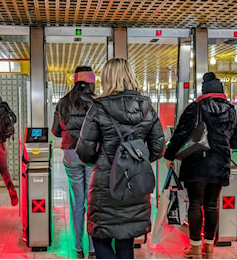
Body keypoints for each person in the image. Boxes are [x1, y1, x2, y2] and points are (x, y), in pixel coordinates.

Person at [75, 58, 165, 259]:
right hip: (135, 184)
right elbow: (158, 148)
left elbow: (84, 151)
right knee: (126, 239)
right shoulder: (147, 107)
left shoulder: (98, 108)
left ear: (107, 79)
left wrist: (104, 160)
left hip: (105, 185)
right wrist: (135, 162)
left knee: (101, 238)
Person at [164, 72, 237, 259]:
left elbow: (180, 135)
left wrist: (169, 155)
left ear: (203, 91)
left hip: (196, 162)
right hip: (220, 163)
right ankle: (209, 246)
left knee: (195, 203)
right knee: (211, 205)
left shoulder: (195, 108)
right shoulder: (231, 111)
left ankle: (195, 247)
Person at [51, 66, 97, 259]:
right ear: (92, 81)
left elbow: (55, 131)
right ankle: (93, 249)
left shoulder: (63, 102)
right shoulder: (97, 102)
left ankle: (78, 247)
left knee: (77, 201)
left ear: (75, 81)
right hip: (92, 153)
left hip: (71, 152)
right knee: (92, 200)